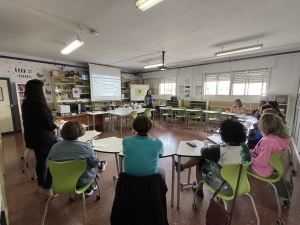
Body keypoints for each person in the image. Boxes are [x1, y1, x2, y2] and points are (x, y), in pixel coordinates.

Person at [175, 119, 250, 197]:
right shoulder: (245, 147)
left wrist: (218, 146)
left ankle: (199, 189)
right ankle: (181, 167)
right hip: (240, 184)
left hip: (223, 187)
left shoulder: (220, 150)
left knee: (201, 160)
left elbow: (203, 151)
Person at [48, 121, 107, 196]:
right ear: (79, 132)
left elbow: (50, 163)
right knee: (90, 163)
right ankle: (89, 186)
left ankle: (89, 186)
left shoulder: (54, 147)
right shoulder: (85, 146)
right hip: (81, 181)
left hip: (60, 181)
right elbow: (93, 164)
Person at [21, 79, 58, 196]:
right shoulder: (37, 103)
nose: (44, 89)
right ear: (38, 89)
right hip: (43, 138)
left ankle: (43, 184)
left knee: (41, 161)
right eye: (43, 88)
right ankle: (47, 186)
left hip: (34, 137)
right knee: (54, 161)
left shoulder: (27, 102)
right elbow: (47, 122)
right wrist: (54, 128)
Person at [123, 115, 165, 179]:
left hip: (129, 181)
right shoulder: (158, 143)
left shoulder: (126, 140)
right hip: (150, 182)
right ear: (150, 127)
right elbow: (160, 154)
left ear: (134, 126)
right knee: (161, 171)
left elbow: (124, 152)